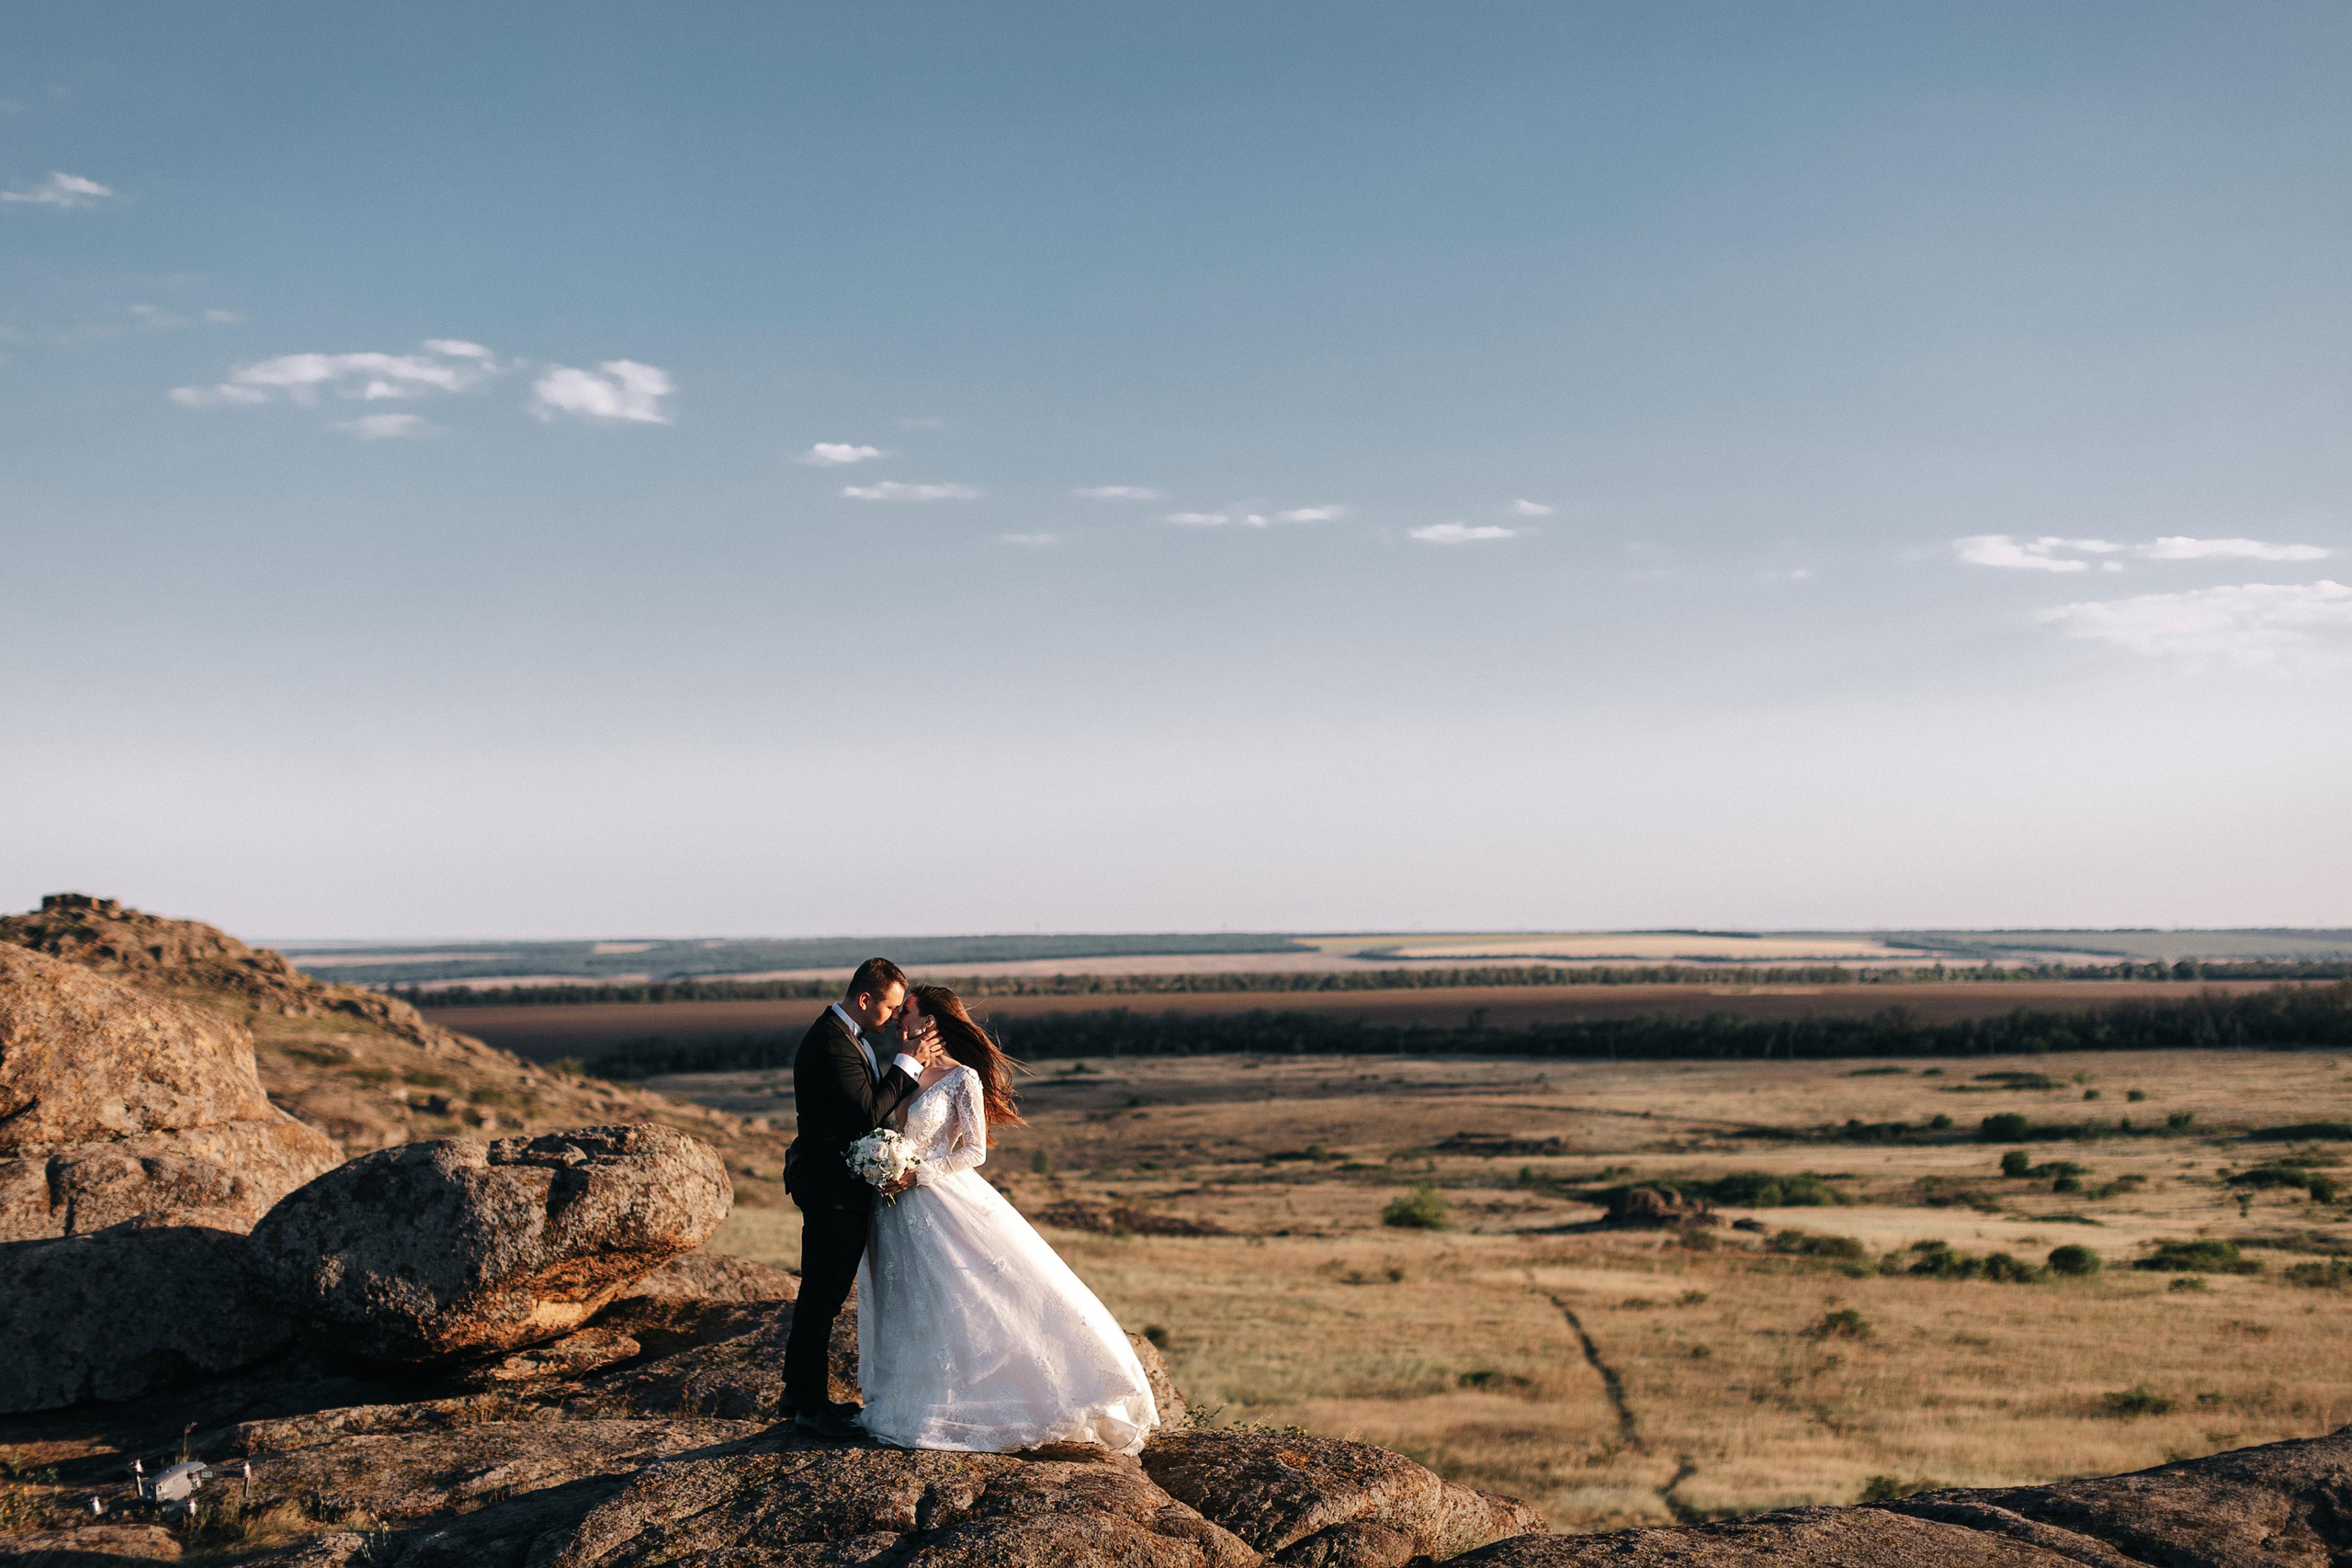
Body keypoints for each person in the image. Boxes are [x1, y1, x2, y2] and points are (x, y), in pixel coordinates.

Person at [854, 984, 1159, 1454]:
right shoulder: (900, 1070)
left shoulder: (962, 1078)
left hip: (938, 1197)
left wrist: (918, 1174)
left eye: (906, 1012)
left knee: (967, 1298)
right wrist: (882, 1162)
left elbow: (974, 1152)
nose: (898, 1019)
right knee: (911, 1304)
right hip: (894, 1210)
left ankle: (1011, 1401)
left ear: (929, 1021)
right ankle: (916, 1401)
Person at [782, 956, 940, 1439]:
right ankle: (810, 1407)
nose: (893, 1017)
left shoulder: (848, 1037)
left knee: (820, 1294)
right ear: (865, 998)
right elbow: (867, 1112)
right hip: (830, 1189)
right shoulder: (831, 1043)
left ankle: (798, 1394)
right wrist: (908, 1063)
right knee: (823, 1297)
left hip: (835, 1185)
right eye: (890, 1007)